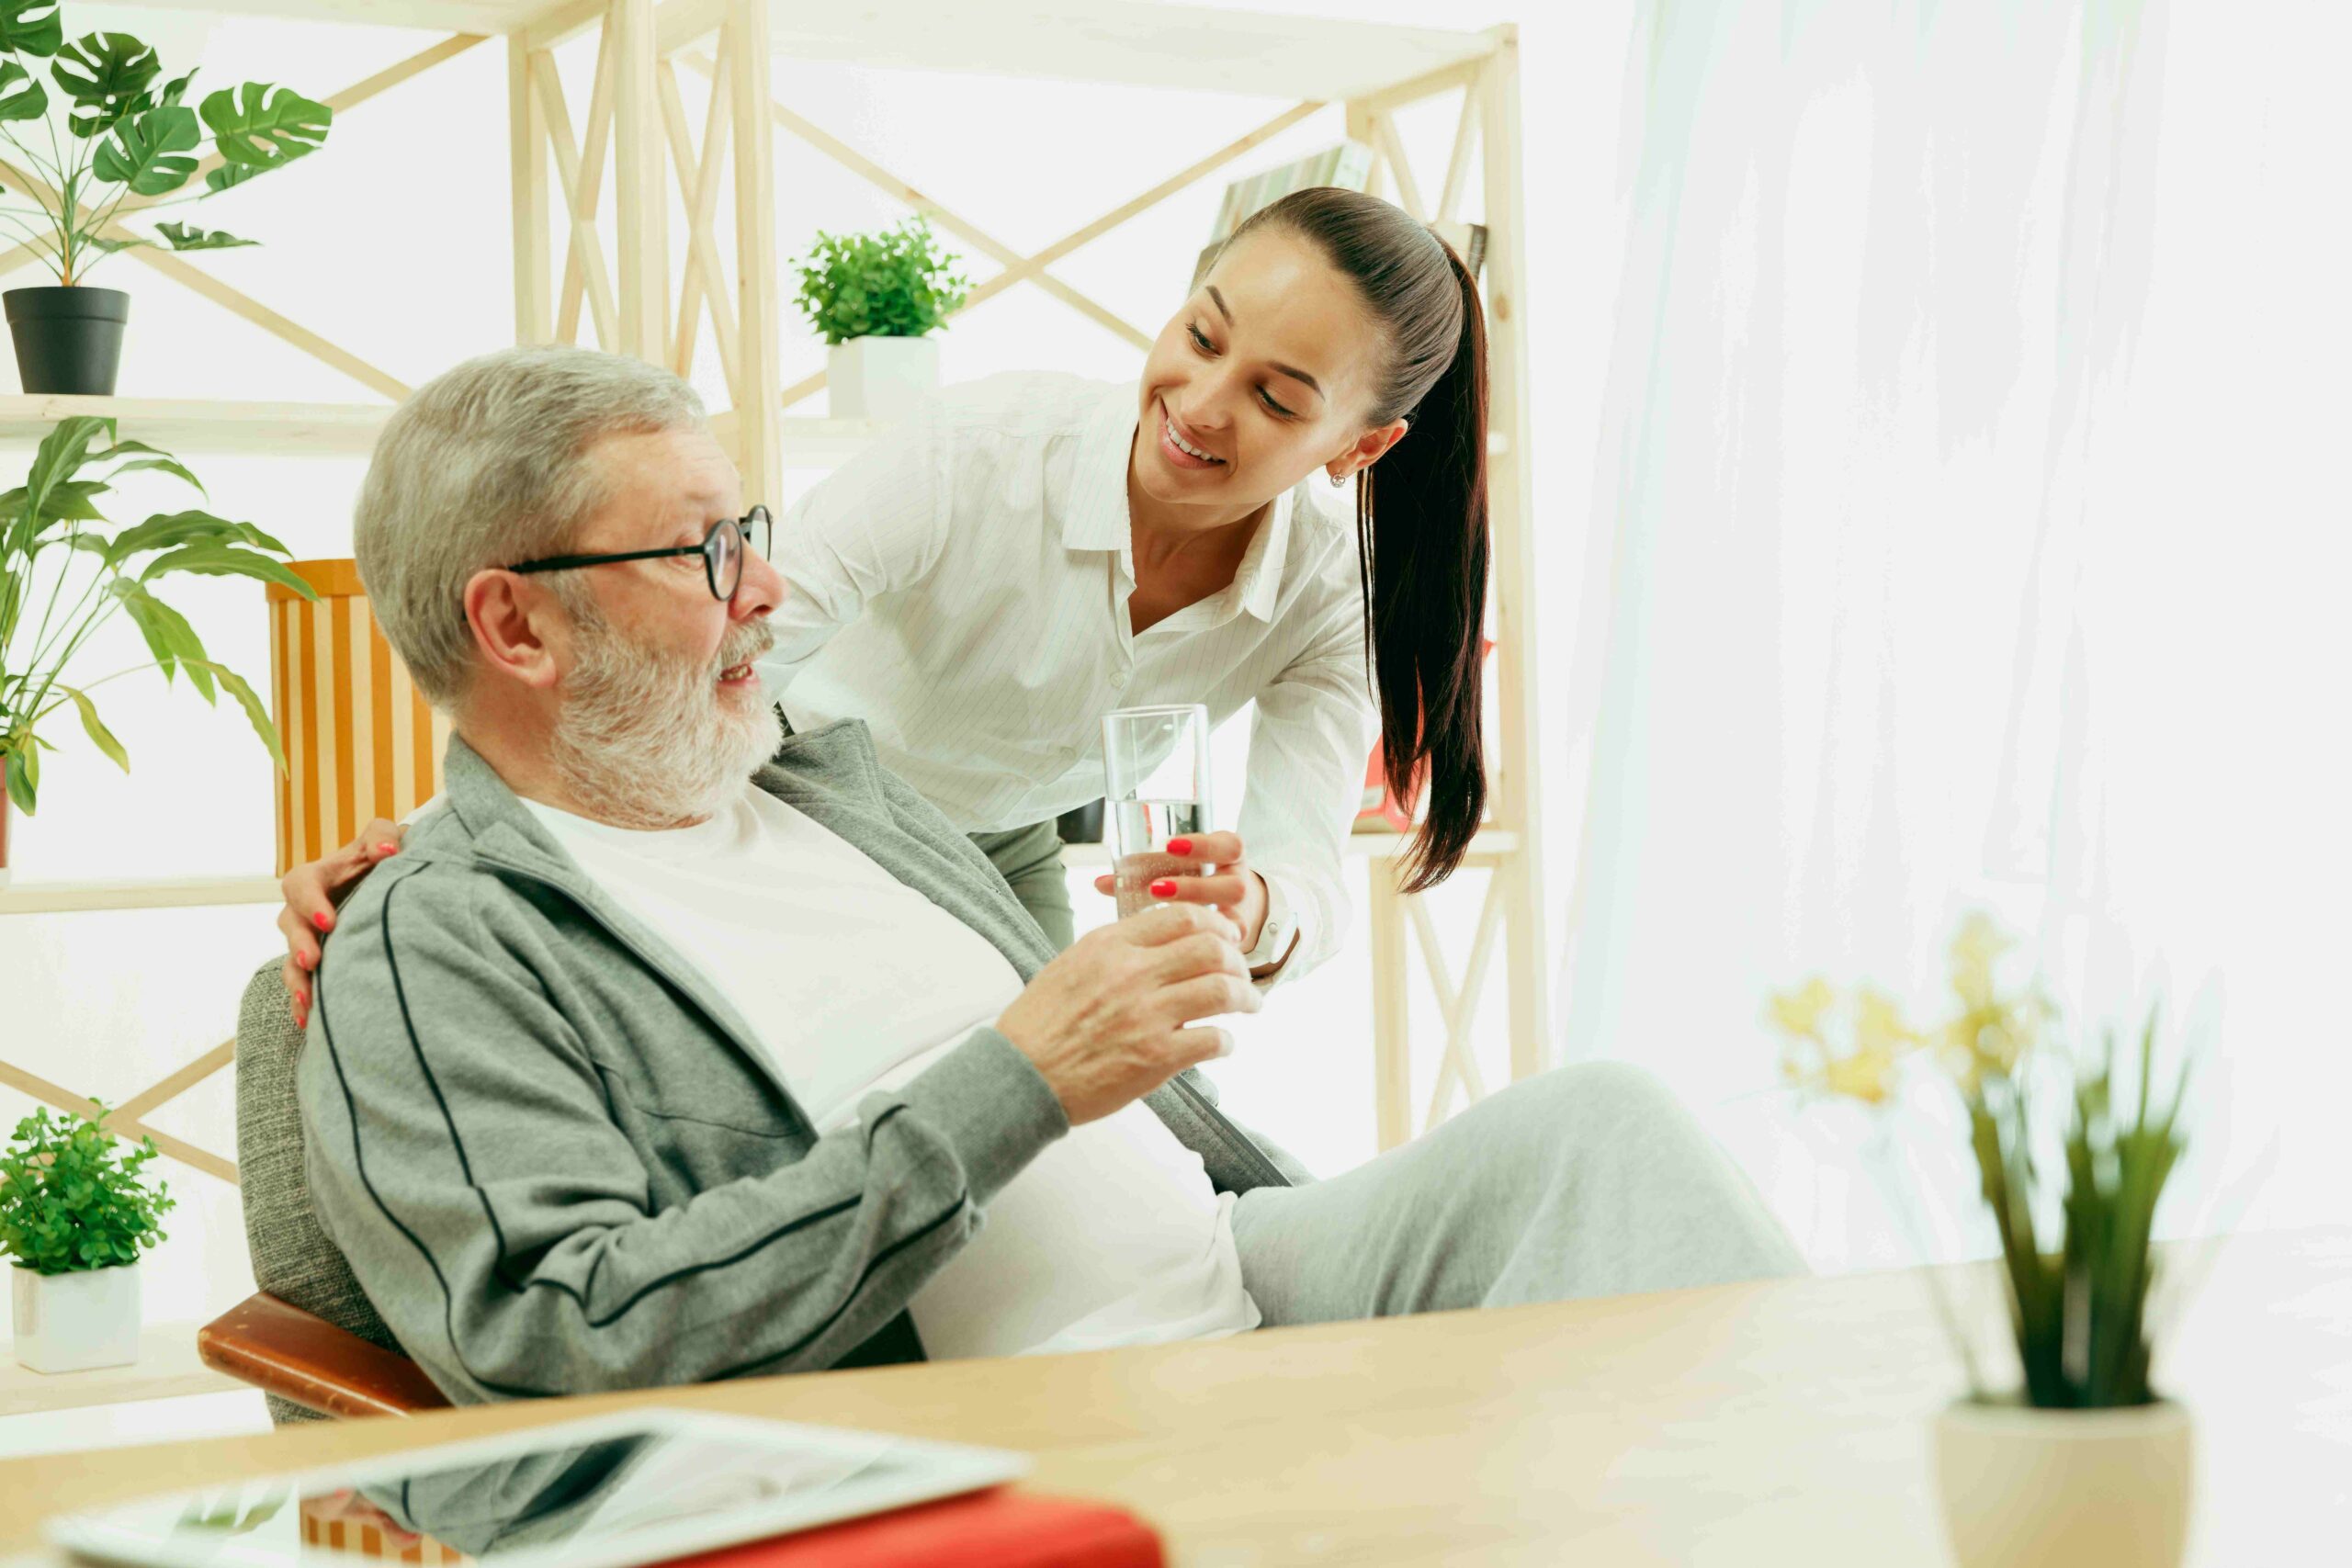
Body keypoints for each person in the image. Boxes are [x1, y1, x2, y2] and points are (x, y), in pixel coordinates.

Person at [296, 345, 1801, 1404]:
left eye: (748, 529)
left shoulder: (829, 782)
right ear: (517, 631)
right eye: (703, 553)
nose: (767, 585)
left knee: (1608, 1132)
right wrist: (1018, 1077)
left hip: (1244, 1271)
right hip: (1027, 1420)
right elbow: (557, 1334)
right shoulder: (441, 945)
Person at [276, 186, 1500, 1025]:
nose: (1201, 402)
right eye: (1201, 335)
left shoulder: (1326, 594)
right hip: (801, 787)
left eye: (1280, 400)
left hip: (1001, 845)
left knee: (1124, 1136)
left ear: (1363, 444)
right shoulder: (983, 452)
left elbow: (1304, 866)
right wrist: (429, 835)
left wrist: (1261, 908)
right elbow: (728, 630)